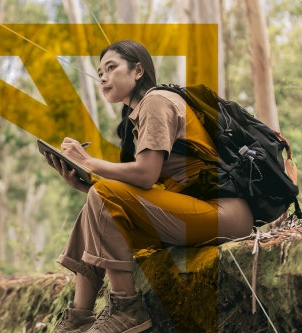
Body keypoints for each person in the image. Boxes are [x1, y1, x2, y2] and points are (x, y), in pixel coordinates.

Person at [43, 40, 255, 333]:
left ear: (138, 70)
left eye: (111, 68)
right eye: (99, 72)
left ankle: (126, 307)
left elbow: (144, 175)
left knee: (103, 193)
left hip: (223, 214)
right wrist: (84, 182)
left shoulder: (156, 102)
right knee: (95, 199)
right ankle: (78, 319)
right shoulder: (134, 119)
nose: (102, 77)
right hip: (191, 211)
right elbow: (141, 193)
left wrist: (90, 163)